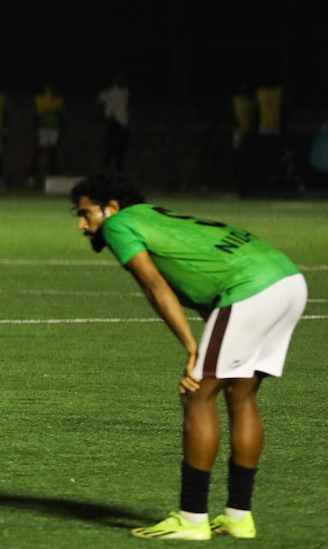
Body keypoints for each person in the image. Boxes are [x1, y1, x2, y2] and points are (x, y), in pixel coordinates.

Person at [70, 173, 306, 541]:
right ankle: (237, 518)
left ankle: (192, 518)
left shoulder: (119, 224)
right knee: (240, 394)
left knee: (196, 393)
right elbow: (203, 279)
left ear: (111, 208)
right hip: (287, 280)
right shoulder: (152, 216)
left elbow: (154, 284)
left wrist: (192, 348)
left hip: (250, 289)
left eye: (86, 214)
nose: (83, 225)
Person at [28, 80, 65, 187]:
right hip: (43, 129)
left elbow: (61, 117)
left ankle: (52, 178)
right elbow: (35, 115)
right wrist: (35, 129)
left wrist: (61, 130)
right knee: (38, 152)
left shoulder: (58, 101)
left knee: (53, 154)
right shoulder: (40, 100)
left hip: (54, 129)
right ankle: (32, 177)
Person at [98, 70, 130, 174]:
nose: (121, 80)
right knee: (110, 145)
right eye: (118, 78)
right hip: (113, 121)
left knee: (122, 147)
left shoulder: (126, 92)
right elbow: (101, 101)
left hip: (123, 122)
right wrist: (108, 114)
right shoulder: (110, 92)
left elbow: (127, 104)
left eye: (122, 78)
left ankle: (118, 168)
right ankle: (106, 166)